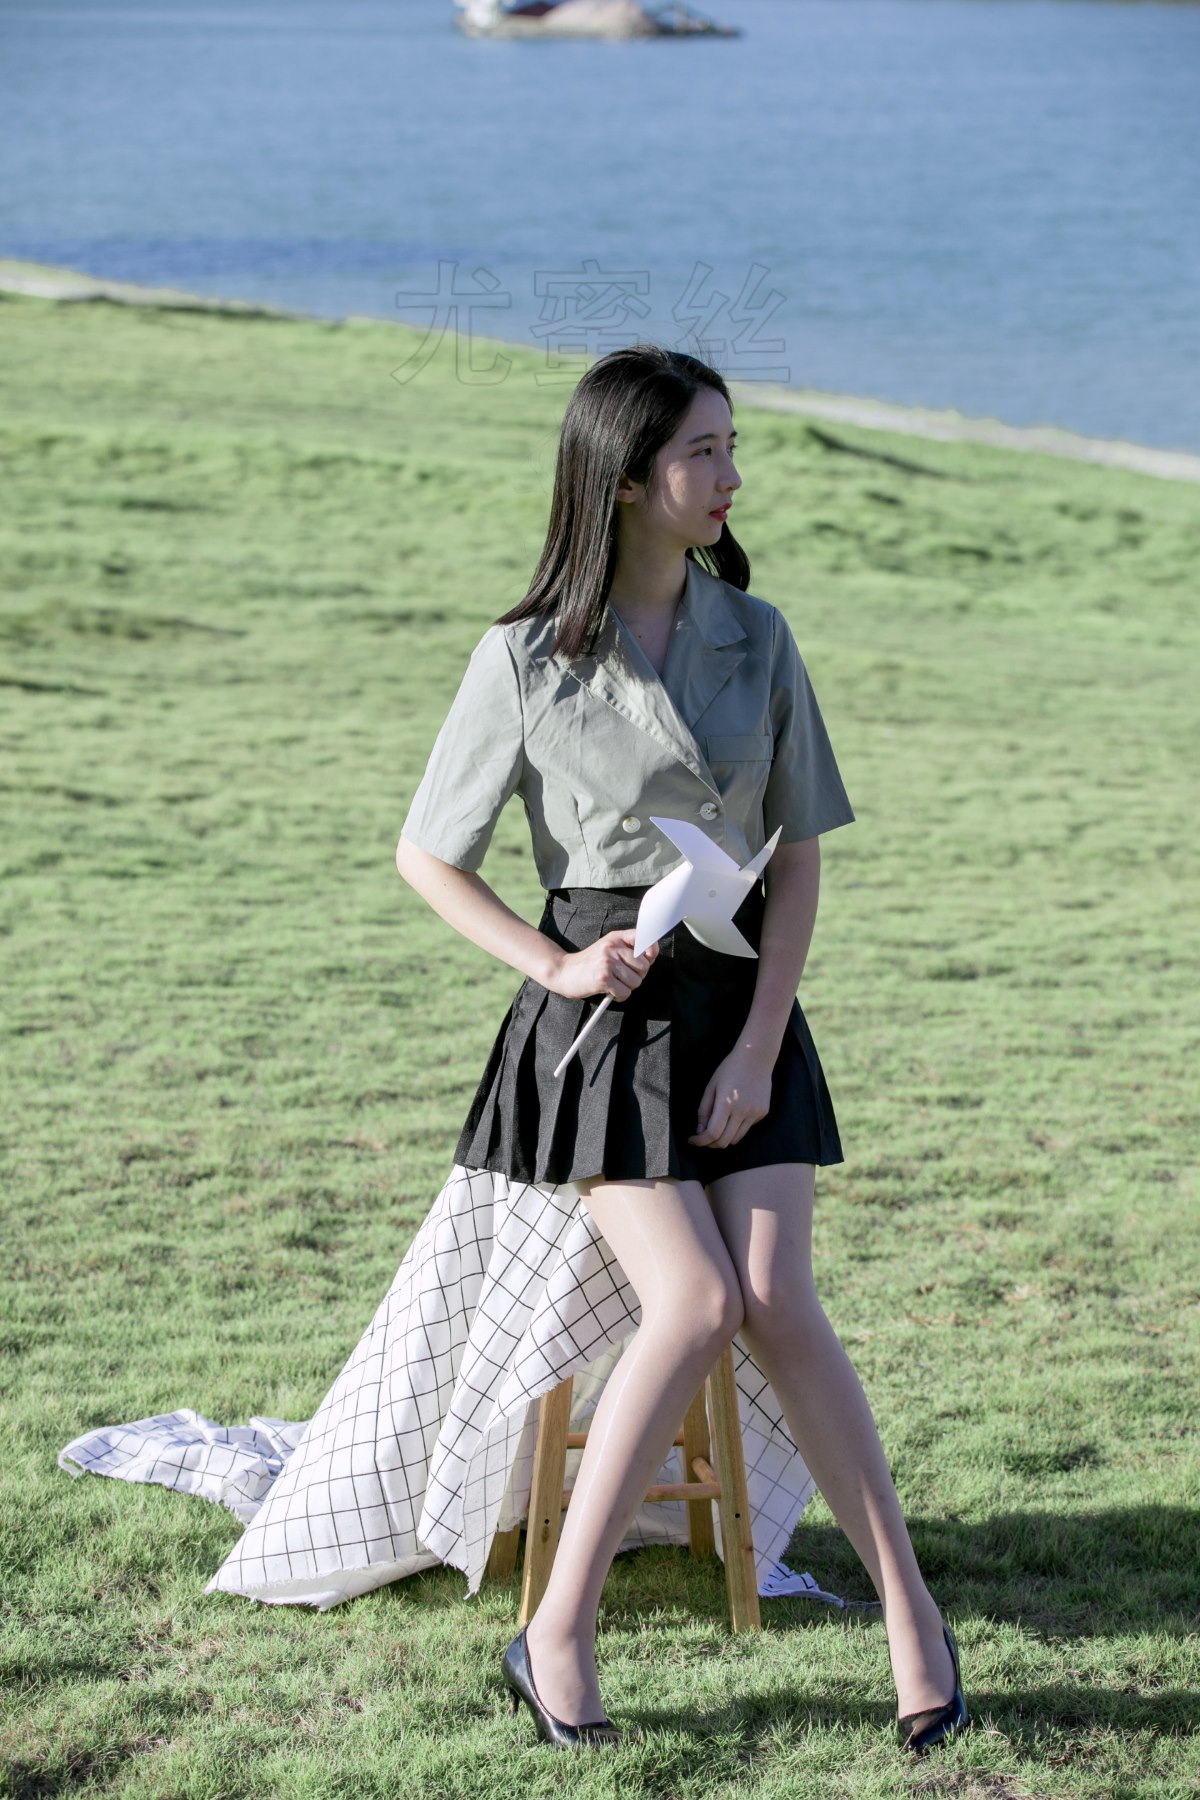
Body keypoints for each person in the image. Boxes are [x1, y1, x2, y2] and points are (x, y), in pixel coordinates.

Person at [394, 343, 970, 1755]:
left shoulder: (758, 637)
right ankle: (556, 1631)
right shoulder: (522, 657)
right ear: (624, 477)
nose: (729, 475)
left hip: (743, 1004)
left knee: (778, 1295)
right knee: (699, 1300)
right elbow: (429, 856)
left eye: (731, 445)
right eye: (702, 450)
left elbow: (801, 860)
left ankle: (912, 1614)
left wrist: (761, 1045)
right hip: (602, 1024)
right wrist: (555, 964)